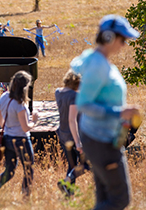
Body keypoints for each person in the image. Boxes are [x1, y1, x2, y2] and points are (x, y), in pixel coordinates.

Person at [70, 14, 140, 210]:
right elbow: (83, 104)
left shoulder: (97, 60)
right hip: (102, 141)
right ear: (108, 37)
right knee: (120, 200)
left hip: (99, 138)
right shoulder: (98, 66)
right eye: (123, 39)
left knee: (104, 198)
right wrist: (119, 112)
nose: (124, 45)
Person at [0, 71, 38, 203]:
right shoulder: (20, 104)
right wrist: (34, 121)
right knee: (28, 169)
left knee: (9, 171)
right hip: (21, 140)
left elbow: (0, 121)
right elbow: (25, 128)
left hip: (7, 139)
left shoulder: (4, 97)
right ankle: (25, 199)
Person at [55, 69, 90, 197]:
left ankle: (68, 193)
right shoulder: (74, 97)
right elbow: (72, 120)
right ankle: (65, 182)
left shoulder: (58, 92)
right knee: (87, 165)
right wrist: (78, 142)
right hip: (74, 134)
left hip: (62, 133)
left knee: (72, 165)